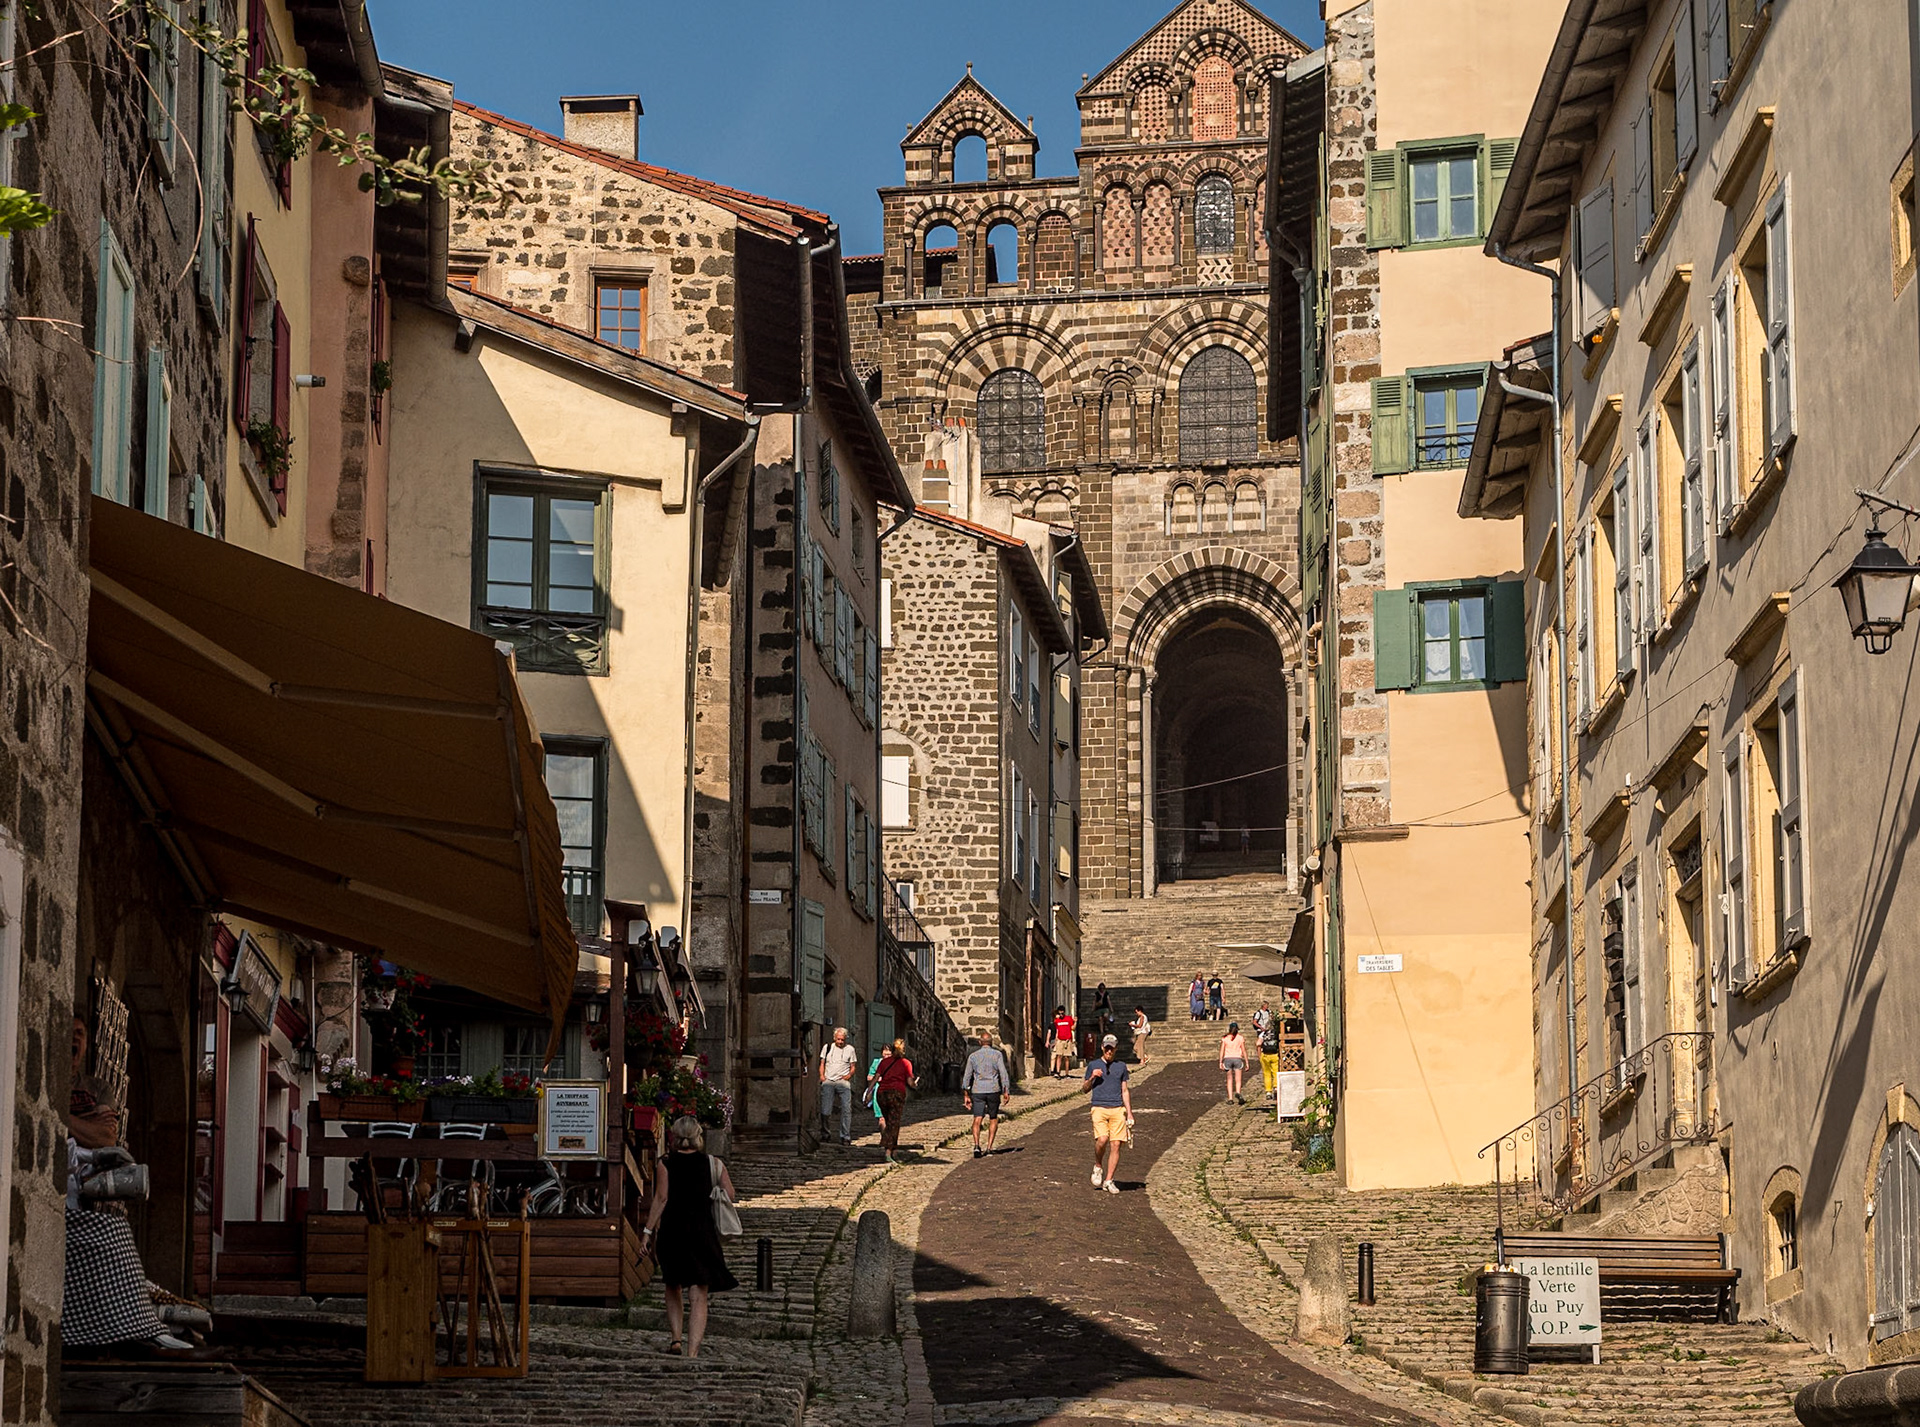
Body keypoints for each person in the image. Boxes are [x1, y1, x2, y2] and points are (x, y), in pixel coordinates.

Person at [64, 1016, 183, 1354]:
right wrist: (83, 1127)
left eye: (80, 1034)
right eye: (68, 1032)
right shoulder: (50, 1079)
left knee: (112, 1240)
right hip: (61, 1187)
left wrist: (64, 1118)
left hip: (80, 1188)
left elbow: (106, 1137)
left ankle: (131, 1325)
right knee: (107, 1243)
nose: (74, 1039)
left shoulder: (95, 1086)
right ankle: (127, 1328)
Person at [642, 1115, 739, 1358]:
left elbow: (661, 1199)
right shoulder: (712, 1163)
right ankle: (692, 1352)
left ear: (674, 1136)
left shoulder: (665, 1163)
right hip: (702, 1233)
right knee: (698, 1293)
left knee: (672, 1284)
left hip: (673, 1232)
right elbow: (730, 1194)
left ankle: (676, 1339)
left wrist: (647, 1232)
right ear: (698, 1136)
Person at [1081, 1034, 1134, 1193]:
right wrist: (1092, 1077)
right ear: (1102, 1048)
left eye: (1112, 1048)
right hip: (1099, 1107)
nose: (1109, 1051)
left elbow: (1124, 1090)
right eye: (1107, 1048)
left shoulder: (1121, 1067)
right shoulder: (1094, 1065)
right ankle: (1098, 1165)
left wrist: (1129, 1113)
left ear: (1116, 1049)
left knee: (1116, 1144)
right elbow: (1084, 1089)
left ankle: (1109, 1180)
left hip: (1117, 1108)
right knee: (1102, 1139)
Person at [962, 1030, 1010, 1157]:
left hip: (978, 1090)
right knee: (993, 1118)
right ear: (991, 1042)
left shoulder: (973, 1057)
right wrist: (1006, 1090)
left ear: (980, 1042)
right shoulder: (997, 1055)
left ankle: (977, 1145)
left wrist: (966, 1094)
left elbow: (967, 1077)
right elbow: (1003, 1073)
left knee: (977, 1118)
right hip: (993, 1089)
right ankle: (989, 1147)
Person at [818, 1025, 859, 1145]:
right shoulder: (827, 1047)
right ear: (834, 1038)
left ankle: (845, 1136)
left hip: (843, 1082)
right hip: (828, 1081)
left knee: (846, 1109)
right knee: (825, 1110)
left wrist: (849, 1076)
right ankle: (825, 1133)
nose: (840, 1042)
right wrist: (822, 1076)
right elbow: (822, 1063)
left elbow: (853, 1066)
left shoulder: (850, 1049)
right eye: (838, 1039)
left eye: (842, 1039)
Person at [873, 1043, 915, 1161]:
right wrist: (915, 1085)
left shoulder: (884, 1062)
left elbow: (876, 1078)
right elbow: (910, 1082)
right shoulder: (905, 1063)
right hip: (896, 1094)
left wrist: (869, 1093)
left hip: (881, 1094)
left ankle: (893, 1150)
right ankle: (888, 1150)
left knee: (889, 1121)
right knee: (894, 1122)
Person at [1219, 1021, 1249, 1103]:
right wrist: (1246, 1062)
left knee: (1229, 1079)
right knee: (1238, 1079)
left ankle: (1230, 1098)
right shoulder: (1240, 1038)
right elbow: (1243, 1050)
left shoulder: (1225, 1038)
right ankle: (1238, 1093)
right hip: (1237, 1058)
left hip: (1228, 1059)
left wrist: (1220, 1062)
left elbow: (1222, 1051)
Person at [1257, 1014, 1282, 1101]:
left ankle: (1268, 1091)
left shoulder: (1263, 1034)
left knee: (1267, 1074)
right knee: (1275, 1072)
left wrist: (1259, 1055)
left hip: (1265, 1055)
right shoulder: (1276, 1033)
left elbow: (1258, 1044)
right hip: (1274, 1055)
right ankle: (1275, 1087)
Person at [1050, 1005, 1076, 1078]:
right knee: (1059, 1056)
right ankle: (1058, 1072)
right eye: (1060, 1013)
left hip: (1067, 1040)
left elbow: (1072, 1028)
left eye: (1062, 1013)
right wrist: (1055, 1041)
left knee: (1067, 1057)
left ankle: (1067, 1073)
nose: (1061, 1015)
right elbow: (1057, 1031)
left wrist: (1075, 1022)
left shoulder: (1068, 1019)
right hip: (1060, 1040)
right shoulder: (1057, 1021)